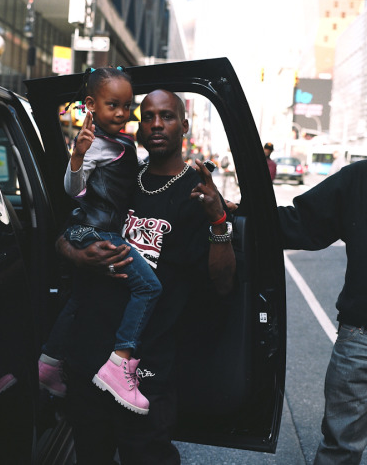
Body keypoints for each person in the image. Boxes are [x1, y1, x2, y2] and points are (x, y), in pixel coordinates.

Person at [54, 89, 236, 464]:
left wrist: (219, 219)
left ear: (184, 126)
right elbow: (65, 233)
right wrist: (79, 254)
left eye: (166, 116)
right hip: (89, 355)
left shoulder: (197, 193)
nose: (156, 124)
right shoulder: (119, 174)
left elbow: (222, 282)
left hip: (144, 366)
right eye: (148, 116)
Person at [278, 95, 367, 464]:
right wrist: (237, 216)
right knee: (339, 450)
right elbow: (303, 224)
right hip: (360, 339)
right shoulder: (361, 179)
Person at [38, 67, 162, 415]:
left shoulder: (121, 142)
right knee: (149, 288)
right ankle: (119, 362)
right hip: (96, 231)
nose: (122, 113)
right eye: (113, 105)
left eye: (127, 106)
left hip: (88, 229)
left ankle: (48, 364)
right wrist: (77, 156)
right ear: (91, 105)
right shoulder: (94, 145)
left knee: (80, 296)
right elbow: (74, 189)